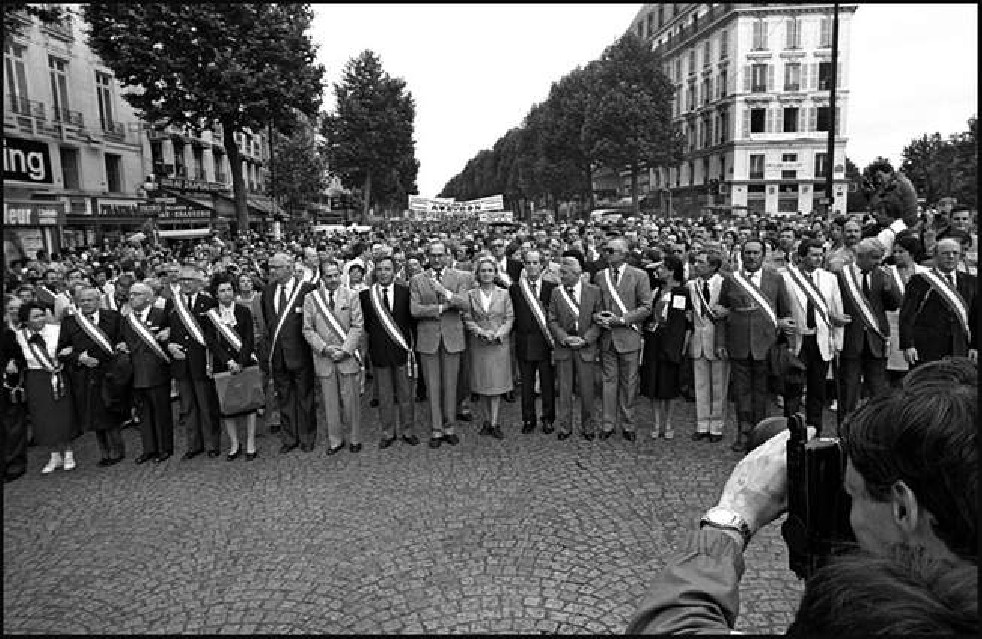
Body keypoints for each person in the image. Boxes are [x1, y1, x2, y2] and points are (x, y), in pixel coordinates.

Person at [626, 358, 976, 633]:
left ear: (903, 508)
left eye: (852, 494)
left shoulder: (886, 620)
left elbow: (666, 628)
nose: (848, 514)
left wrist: (732, 515)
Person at [713, 239, 795, 452]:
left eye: (755, 253)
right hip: (738, 344)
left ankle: (760, 436)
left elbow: (785, 312)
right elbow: (721, 312)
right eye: (747, 253)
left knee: (761, 394)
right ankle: (743, 434)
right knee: (741, 394)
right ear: (741, 255)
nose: (751, 257)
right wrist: (721, 342)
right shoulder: (731, 280)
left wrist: (787, 341)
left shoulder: (775, 279)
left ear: (763, 255)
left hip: (765, 346)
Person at [781, 238, 849, 433]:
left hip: (821, 341)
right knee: (793, 389)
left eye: (821, 255)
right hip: (798, 340)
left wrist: (838, 343)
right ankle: (791, 431)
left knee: (817, 390)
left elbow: (838, 311)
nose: (818, 259)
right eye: (813, 255)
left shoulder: (830, 279)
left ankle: (815, 430)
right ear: (802, 256)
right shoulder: (787, 278)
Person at [410, 241, 472, 449]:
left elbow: (465, 303)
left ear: (447, 255)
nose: (436, 259)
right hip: (428, 339)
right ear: (427, 256)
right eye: (432, 255)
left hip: (452, 338)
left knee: (451, 385)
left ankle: (450, 426)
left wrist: (444, 292)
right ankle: (436, 428)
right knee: (432, 386)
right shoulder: (418, 279)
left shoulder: (459, 277)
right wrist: (441, 308)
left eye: (440, 255)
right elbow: (415, 310)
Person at [57, 286, 125, 467]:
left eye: (90, 300)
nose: (86, 303)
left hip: (111, 373)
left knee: (111, 411)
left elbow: (122, 338)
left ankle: (117, 449)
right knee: (95, 416)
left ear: (98, 300)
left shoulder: (113, 317)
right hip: (86, 376)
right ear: (77, 303)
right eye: (82, 300)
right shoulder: (70, 322)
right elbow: (61, 351)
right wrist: (80, 358)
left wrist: (121, 346)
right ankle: (105, 453)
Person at [593, 237, 652, 441]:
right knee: (608, 383)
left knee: (629, 383)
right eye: (606, 250)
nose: (606, 254)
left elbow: (646, 307)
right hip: (608, 337)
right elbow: (596, 304)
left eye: (611, 251)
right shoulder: (600, 276)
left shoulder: (639, 275)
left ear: (623, 253)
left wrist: (622, 319)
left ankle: (629, 424)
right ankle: (608, 424)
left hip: (628, 336)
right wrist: (598, 316)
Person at [837, 238, 902, 417]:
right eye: (874, 258)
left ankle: (876, 428)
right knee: (848, 390)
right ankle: (845, 429)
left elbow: (894, 304)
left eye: (880, 257)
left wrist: (890, 287)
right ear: (860, 256)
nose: (878, 262)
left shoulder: (883, 275)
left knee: (877, 390)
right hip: (851, 339)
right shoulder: (842, 275)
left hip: (876, 338)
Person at [303, 260, 363, 454]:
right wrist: (325, 349)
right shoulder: (311, 299)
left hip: (347, 356)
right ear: (322, 278)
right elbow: (307, 329)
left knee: (351, 401)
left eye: (336, 275)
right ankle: (335, 440)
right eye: (328, 276)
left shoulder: (352, 296)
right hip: (324, 357)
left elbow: (357, 326)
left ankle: (354, 438)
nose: (333, 279)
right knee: (330, 403)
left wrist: (345, 350)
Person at [360, 255, 418, 448]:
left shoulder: (406, 292)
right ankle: (388, 432)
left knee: (405, 395)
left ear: (394, 271)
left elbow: (412, 322)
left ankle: (408, 430)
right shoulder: (366, 296)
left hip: (402, 351)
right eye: (379, 269)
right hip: (379, 353)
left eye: (387, 269)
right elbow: (367, 326)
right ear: (374, 272)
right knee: (384, 397)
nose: (383, 273)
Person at [262, 252, 318, 455]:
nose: (272, 271)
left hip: (301, 354)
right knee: (284, 397)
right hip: (278, 355)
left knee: (305, 397)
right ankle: (289, 437)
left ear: (289, 267)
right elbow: (270, 324)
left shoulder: (307, 290)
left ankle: (307, 436)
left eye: (276, 267)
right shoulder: (268, 292)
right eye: (271, 267)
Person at [15, 302, 77, 474]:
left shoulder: (56, 330)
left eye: (42, 314)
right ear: (25, 321)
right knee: (43, 417)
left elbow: (69, 348)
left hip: (58, 375)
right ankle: (54, 454)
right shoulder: (19, 336)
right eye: (35, 316)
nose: (41, 318)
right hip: (37, 379)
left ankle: (69, 452)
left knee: (63, 414)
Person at [167, 266, 220, 459]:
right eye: (182, 280)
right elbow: (167, 330)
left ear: (198, 282)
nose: (186, 283)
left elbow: (215, 333)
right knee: (188, 406)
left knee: (206, 405)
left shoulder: (209, 302)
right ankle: (193, 444)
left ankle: (212, 443)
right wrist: (170, 345)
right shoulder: (172, 304)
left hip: (202, 361)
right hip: (181, 363)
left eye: (189, 279)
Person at [900, 238, 978, 368]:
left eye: (955, 253)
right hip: (926, 348)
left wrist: (975, 346)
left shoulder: (971, 282)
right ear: (935, 256)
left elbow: (976, 317)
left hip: (960, 347)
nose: (950, 256)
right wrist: (908, 345)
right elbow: (907, 316)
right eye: (945, 253)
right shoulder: (919, 281)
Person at [118, 282, 173, 464]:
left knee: (161, 412)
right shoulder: (127, 319)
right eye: (131, 294)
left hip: (157, 372)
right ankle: (149, 448)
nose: (132, 297)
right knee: (143, 414)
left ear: (148, 297)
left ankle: (165, 447)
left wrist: (169, 332)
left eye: (137, 294)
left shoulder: (161, 315)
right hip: (136, 373)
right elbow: (122, 340)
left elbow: (170, 337)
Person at [205, 273, 258, 461]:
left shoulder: (243, 311)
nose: (226, 294)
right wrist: (228, 361)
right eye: (222, 291)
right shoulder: (211, 315)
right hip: (223, 364)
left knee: (249, 403)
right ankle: (235, 443)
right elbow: (211, 341)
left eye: (229, 289)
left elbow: (249, 338)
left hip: (245, 362)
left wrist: (241, 361)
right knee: (227, 405)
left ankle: (251, 442)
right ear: (216, 294)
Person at [548, 257, 601, 441]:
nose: (561, 276)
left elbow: (599, 320)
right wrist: (563, 338)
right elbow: (552, 319)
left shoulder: (594, 292)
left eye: (564, 272)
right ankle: (564, 426)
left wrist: (586, 340)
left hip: (585, 347)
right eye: (560, 272)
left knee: (587, 390)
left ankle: (588, 427)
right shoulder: (556, 293)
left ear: (577, 274)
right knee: (564, 390)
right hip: (565, 347)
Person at [463, 255, 514, 439]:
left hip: (499, 344)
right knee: (483, 384)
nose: (486, 273)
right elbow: (467, 318)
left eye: (490, 270)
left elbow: (509, 318)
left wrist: (499, 333)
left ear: (495, 273)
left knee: (496, 385)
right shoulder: (470, 295)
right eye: (483, 270)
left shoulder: (504, 293)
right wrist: (480, 332)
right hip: (480, 344)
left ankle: (494, 422)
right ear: (478, 273)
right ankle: (486, 420)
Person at [640, 255, 691, 440]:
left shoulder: (683, 292)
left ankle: (668, 422)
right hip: (654, 341)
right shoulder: (656, 290)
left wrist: (682, 346)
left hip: (671, 344)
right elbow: (646, 269)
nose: (658, 271)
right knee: (653, 384)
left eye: (662, 268)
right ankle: (655, 422)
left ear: (671, 270)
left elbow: (685, 323)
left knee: (669, 386)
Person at [509, 250, 557, 434]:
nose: (531, 266)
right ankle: (528, 419)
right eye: (528, 263)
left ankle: (548, 418)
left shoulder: (551, 287)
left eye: (535, 262)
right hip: (524, 341)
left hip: (546, 342)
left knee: (547, 384)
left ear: (542, 266)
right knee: (527, 385)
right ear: (524, 265)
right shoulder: (515, 288)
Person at [687, 250, 729, 443]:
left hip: (717, 341)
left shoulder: (724, 284)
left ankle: (717, 426)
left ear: (713, 266)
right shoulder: (691, 285)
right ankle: (702, 424)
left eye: (701, 262)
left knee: (719, 385)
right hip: (698, 340)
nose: (696, 265)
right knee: (701, 384)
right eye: (696, 262)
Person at [884, 233, 926, 382]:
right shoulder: (887, 272)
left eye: (901, 252)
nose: (897, 255)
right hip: (894, 327)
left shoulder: (925, 272)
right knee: (895, 375)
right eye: (894, 252)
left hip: (918, 328)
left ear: (912, 253)